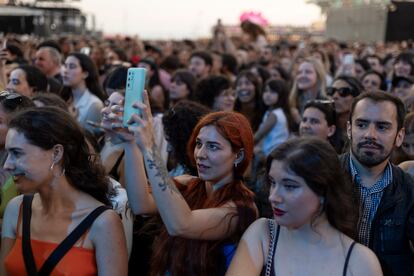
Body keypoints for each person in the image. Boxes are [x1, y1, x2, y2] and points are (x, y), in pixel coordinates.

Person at [118, 91, 257, 275]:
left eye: (213, 146)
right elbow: (140, 204)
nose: (200, 154)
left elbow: (181, 224)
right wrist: (131, 143)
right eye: (199, 144)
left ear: (238, 155)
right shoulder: (189, 183)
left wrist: (150, 147)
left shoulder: (241, 208)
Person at [227, 137, 382, 276]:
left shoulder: (361, 262)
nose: (273, 196)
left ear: (323, 191)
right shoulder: (264, 233)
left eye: (289, 186)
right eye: (273, 182)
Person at [0, 107, 127, 275]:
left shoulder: (102, 223)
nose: (7, 165)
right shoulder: (17, 209)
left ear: (57, 153)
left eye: (17, 153)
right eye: (8, 154)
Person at [340, 92, 414, 275]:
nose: (369, 135)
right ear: (349, 129)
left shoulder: (410, 191)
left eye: (382, 127)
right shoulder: (320, 178)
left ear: (399, 136)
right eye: (361, 124)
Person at [61, 53, 106, 132]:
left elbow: (91, 140)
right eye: (65, 66)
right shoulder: (64, 98)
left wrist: (71, 120)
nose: (65, 71)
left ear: (85, 74)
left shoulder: (94, 105)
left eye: (72, 66)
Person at [254, 79, 291, 158]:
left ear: (281, 95)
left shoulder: (275, 114)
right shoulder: (272, 112)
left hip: (273, 155)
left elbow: (259, 135)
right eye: (266, 91)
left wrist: (244, 145)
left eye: (272, 92)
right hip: (271, 153)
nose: (267, 95)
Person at [289, 57, 327, 124]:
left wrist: (299, 121)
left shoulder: (326, 102)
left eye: (308, 72)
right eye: (299, 72)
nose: (302, 75)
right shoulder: (293, 101)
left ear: (318, 76)